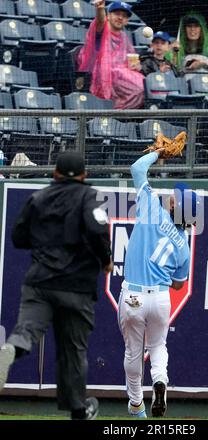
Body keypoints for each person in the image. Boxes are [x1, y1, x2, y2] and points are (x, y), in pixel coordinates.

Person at [0, 151, 113, 420]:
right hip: (76, 286)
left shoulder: (37, 198)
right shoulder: (89, 196)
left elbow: (18, 236)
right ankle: (78, 410)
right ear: (85, 175)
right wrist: (105, 260)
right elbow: (98, 230)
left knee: (26, 331)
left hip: (40, 281)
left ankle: (11, 349)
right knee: (73, 350)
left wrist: (45, 244)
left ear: (55, 173)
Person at [118, 149, 201, 418]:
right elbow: (179, 284)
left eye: (177, 197)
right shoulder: (184, 247)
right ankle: (160, 380)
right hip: (161, 299)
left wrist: (158, 152)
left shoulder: (152, 207)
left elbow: (136, 167)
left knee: (133, 352)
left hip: (133, 295)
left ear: (176, 207)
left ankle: (136, 405)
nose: (173, 196)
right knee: (158, 347)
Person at [77, 0, 144, 109]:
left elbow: (132, 59)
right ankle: (115, 114)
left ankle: (118, 114)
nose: (120, 18)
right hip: (101, 75)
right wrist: (100, 9)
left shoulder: (124, 37)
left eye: (124, 16)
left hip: (121, 77)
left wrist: (137, 66)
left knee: (146, 85)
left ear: (127, 21)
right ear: (108, 16)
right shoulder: (102, 30)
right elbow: (99, 22)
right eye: (117, 14)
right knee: (139, 88)